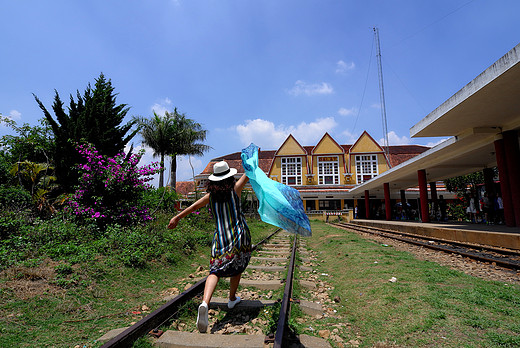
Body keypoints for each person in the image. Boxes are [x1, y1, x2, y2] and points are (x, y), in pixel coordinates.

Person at [167, 161, 252, 333]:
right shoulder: (235, 190)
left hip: (219, 239)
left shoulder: (210, 197)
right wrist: (252, 158)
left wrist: (177, 217)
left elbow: (193, 207)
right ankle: (232, 298)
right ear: (229, 177)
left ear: (212, 181)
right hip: (237, 236)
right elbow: (249, 172)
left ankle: (205, 302)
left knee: (215, 271)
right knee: (237, 267)